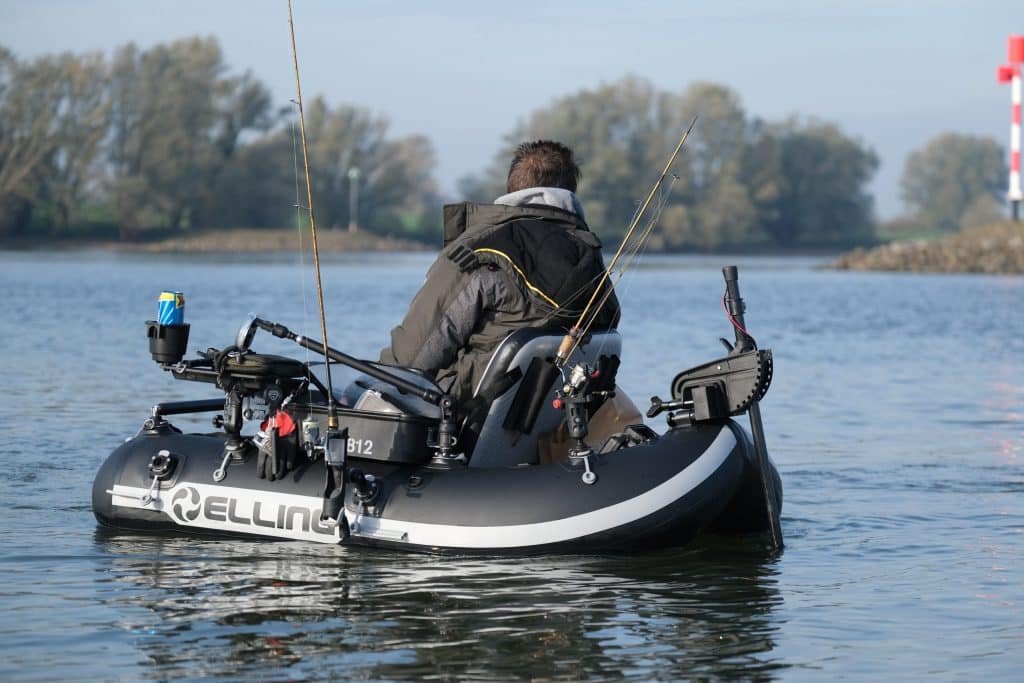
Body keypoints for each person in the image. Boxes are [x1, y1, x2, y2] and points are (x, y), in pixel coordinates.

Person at [379, 140, 620, 408]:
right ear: (571, 192)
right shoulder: (591, 259)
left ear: (512, 186)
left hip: (465, 419)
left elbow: (410, 363)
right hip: (550, 427)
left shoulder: (477, 251)